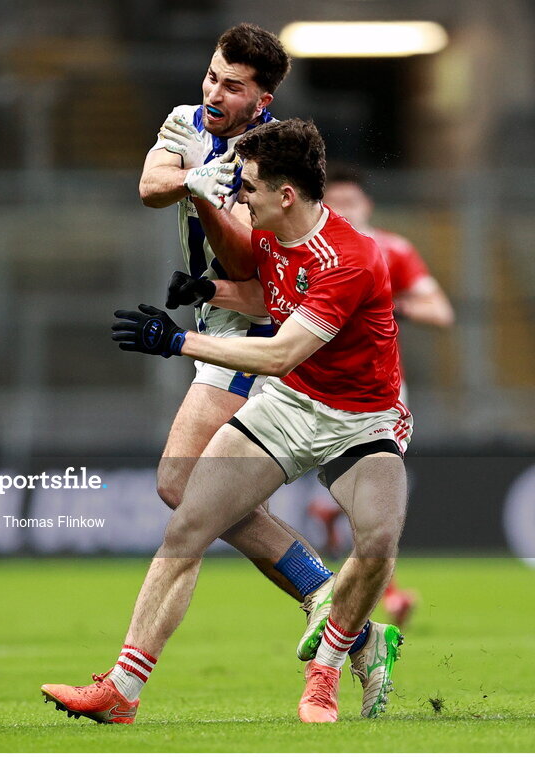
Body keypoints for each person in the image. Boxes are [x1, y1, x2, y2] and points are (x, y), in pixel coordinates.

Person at [43, 119, 409, 724]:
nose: (240, 196)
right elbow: (274, 298)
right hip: (291, 404)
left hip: (361, 419)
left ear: (285, 195)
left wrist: (177, 342)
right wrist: (210, 289)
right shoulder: (271, 235)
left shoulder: (352, 258)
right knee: (188, 522)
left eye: (250, 188)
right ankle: (121, 692)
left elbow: (278, 351)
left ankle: (329, 667)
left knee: (377, 541)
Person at [139, 23, 342, 669]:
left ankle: (325, 594)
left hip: (258, 328)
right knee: (202, 492)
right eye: (210, 76)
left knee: (181, 485)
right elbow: (150, 185)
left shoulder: (271, 162)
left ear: (263, 100)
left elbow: (249, 266)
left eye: (232, 86)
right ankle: (344, 620)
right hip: (221, 320)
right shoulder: (186, 121)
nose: (213, 93)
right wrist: (198, 179)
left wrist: (201, 189)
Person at [305, 164, 455, 626]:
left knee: (376, 490)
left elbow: (440, 310)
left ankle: (369, 583)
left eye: (352, 202)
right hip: (314, 382)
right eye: (336, 203)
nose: (344, 210)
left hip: (379, 386)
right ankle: (361, 585)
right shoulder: (309, 250)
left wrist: (394, 305)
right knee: (367, 492)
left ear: (367, 205)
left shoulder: (391, 250)